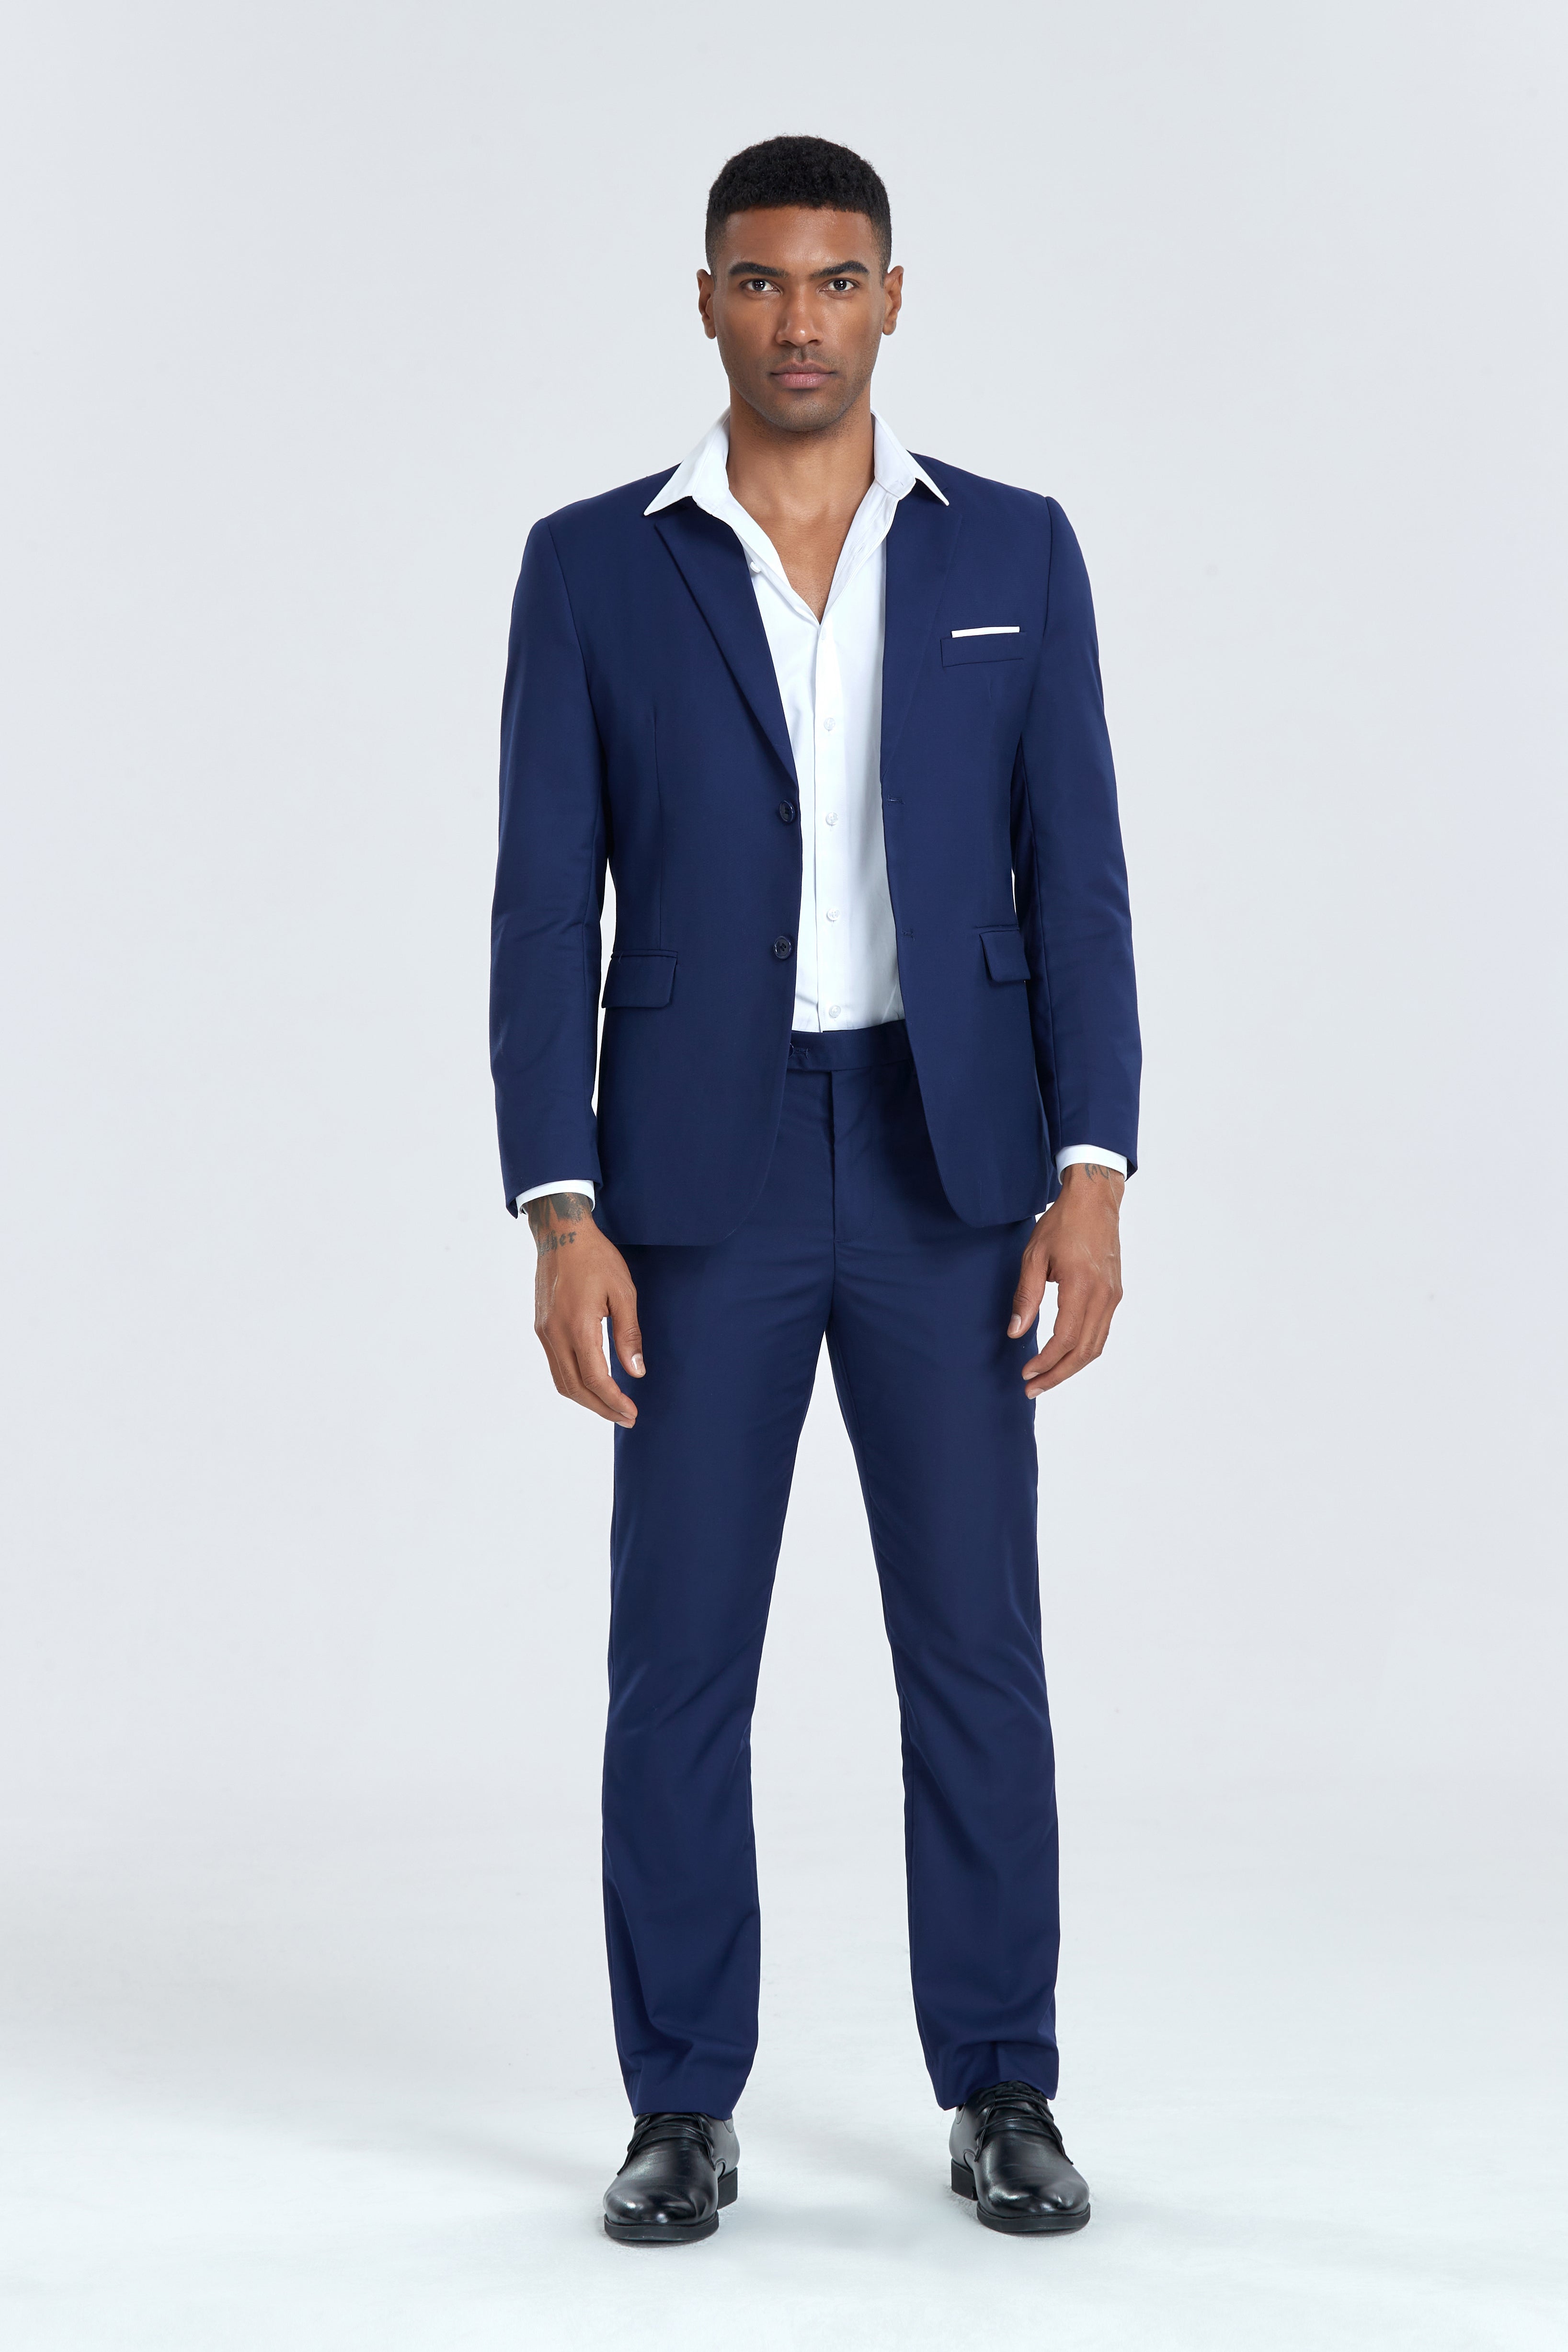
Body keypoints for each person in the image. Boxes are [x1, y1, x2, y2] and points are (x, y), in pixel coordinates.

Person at [490, 134, 1139, 2245]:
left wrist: (1091, 1173)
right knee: (680, 1659)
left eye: (836, 281)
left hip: (958, 1166)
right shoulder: (593, 567)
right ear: (706, 301)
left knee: (976, 1648)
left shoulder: (1013, 550)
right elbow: (542, 911)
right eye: (761, 282)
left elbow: (1081, 882)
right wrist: (559, 1205)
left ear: (892, 298)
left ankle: (1005, 2081)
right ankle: (681, 2101)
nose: (799, 321)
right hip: (700, 1177)